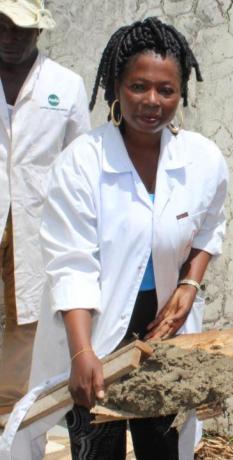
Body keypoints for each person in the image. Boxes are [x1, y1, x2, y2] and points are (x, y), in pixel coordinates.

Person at [25, 16, 228, 460]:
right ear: (116, 86)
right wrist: (81, 351)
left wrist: (189, 286)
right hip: (92, 328)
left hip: (163, 331)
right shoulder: (82, 163)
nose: (152, 101)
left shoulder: (202, 159)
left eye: (166, 90)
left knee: (164, 444)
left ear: (181, 93)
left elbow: (211, 226)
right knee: (97, 446)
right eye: (139, 86)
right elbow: (71, 262)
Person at [0, 0, 90, 414]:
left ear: (39, 31)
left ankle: (8, 412)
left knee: (26, 319)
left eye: (20, 28)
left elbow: (78, 161)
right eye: (2, 25)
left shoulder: (66, 84)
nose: (9, 36)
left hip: (36, 220)